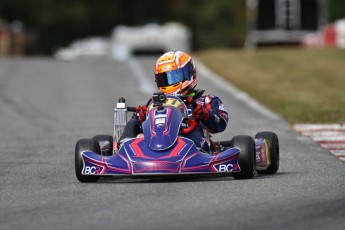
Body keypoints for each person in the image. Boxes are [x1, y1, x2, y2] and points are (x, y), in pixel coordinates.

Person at [119, 51, 228, 152]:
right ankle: (123, 146)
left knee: (195, 128)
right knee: (134, 119)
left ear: (189, 73)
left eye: (173, 77)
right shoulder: (157, 101)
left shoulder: (205, 100)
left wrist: (205, 114)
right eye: (163, 78)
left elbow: (221, 123)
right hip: (157, 140)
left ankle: (194, 153)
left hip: (189, 142)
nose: (168, 82)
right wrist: (143, 116)